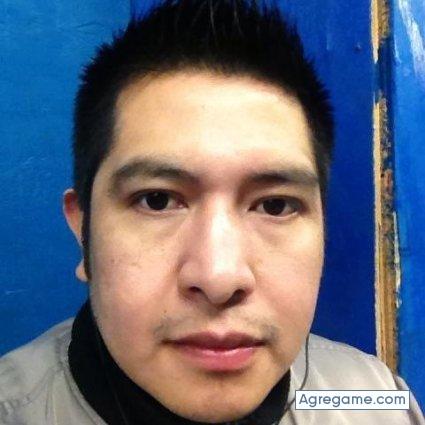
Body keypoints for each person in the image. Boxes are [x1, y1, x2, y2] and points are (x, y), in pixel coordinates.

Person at [0, 0, 423, 424]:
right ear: (83, 229)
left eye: (274, 205)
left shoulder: (374, 401)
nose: (220, 278)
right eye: (157, 200)